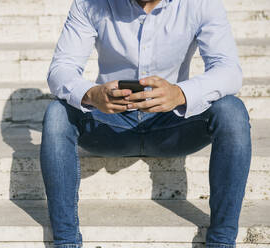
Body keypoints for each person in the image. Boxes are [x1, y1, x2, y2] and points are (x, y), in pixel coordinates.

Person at [39, 0, 252, 247]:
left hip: (172, 123)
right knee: (57, 113)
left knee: (233, 112)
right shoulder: (90, 4)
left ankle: (222, 242)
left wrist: (180, 94)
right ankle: (66, 242)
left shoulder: (200, 3)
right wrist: (92, 94)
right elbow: (61, 69)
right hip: (110, 123)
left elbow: (229, 70)